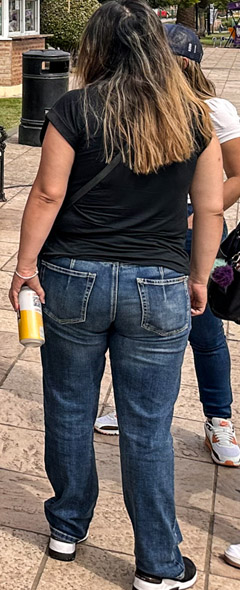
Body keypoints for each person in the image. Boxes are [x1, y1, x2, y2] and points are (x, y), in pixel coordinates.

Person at [9, 0, 222, 590]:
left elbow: (48, 194)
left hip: (74, 276)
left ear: (94, 48)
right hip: (160, 282)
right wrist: (200, 275)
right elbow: (208, 208)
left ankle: (68, 525)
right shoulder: (194, 117)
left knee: (70, 406)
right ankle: (157, 560)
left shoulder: (74, 107)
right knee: (148, 426)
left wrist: (26, 267)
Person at [94, 24, 240, 466]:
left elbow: (238, 173)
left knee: (206, 328)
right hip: (148, 230)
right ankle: (132, 405)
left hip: (194, 230)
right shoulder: (137, 104)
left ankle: (219, 419)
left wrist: (202, 211)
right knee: (138, 322)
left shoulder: (213, 111)